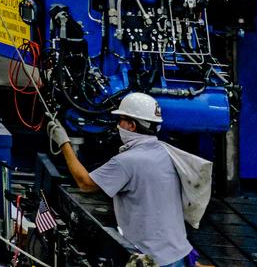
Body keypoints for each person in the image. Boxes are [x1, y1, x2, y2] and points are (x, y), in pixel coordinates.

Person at [50, 93, 194, 267]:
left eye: (121, 121)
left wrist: (64, 143)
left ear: (132, 125)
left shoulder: (127, 161)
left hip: (153, 259)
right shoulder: (166, 152)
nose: (118, 126)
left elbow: (85, 183)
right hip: (179, 254)